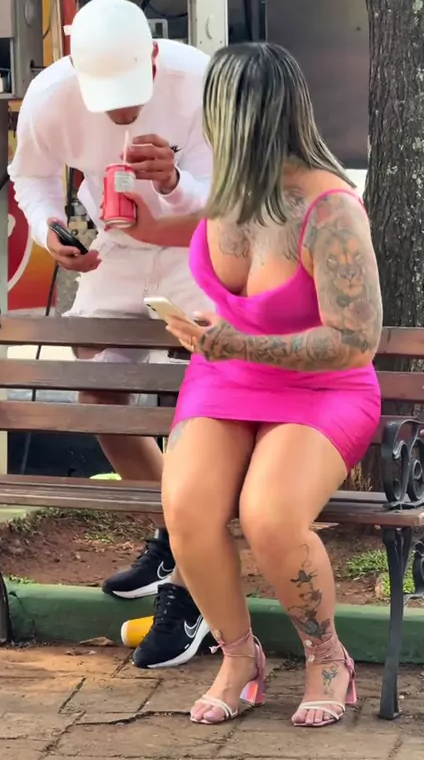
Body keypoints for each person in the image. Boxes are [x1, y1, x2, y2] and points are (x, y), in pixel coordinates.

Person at [127, 43, 383, 726]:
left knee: (269, 515)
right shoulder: (230, 194)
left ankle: (327, 656)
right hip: (226, 375)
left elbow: (357, 339)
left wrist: (241, 341)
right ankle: (240, 657)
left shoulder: (329, 209)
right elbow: (238, 299)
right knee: (186, 509)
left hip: (322, 387)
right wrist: (211, 328)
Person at [7, 0, 212, 669]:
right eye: (106, 99)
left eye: (130, 95)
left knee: (207, 409)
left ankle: (194, 578)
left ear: (152, 57)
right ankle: (175, 535)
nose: (120, 113)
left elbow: (229, 197)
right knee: (99, 397)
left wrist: (174, 181)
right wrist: (52, 235)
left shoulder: (196, 78)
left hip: (196, 252)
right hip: (116, 250)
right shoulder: (51, 96)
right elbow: (31, 177)